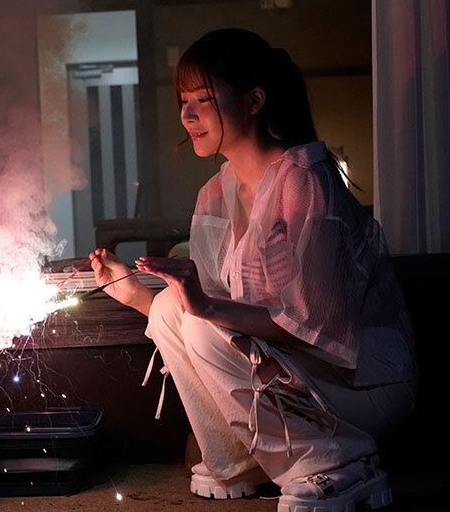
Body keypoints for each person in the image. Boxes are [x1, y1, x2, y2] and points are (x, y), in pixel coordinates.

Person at [90, 29, 418, 511]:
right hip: (296, 380)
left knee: (201, 321)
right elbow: (202, 314)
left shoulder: (305, 180)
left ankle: (341, 462)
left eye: (203, 99)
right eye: (183, 101)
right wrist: (135, 292)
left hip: (362, 383)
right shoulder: (214, 194)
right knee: (168, 310)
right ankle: (243, 459)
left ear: (254, 101)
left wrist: (204, 307)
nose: (187, 115)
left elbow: (317, 327)